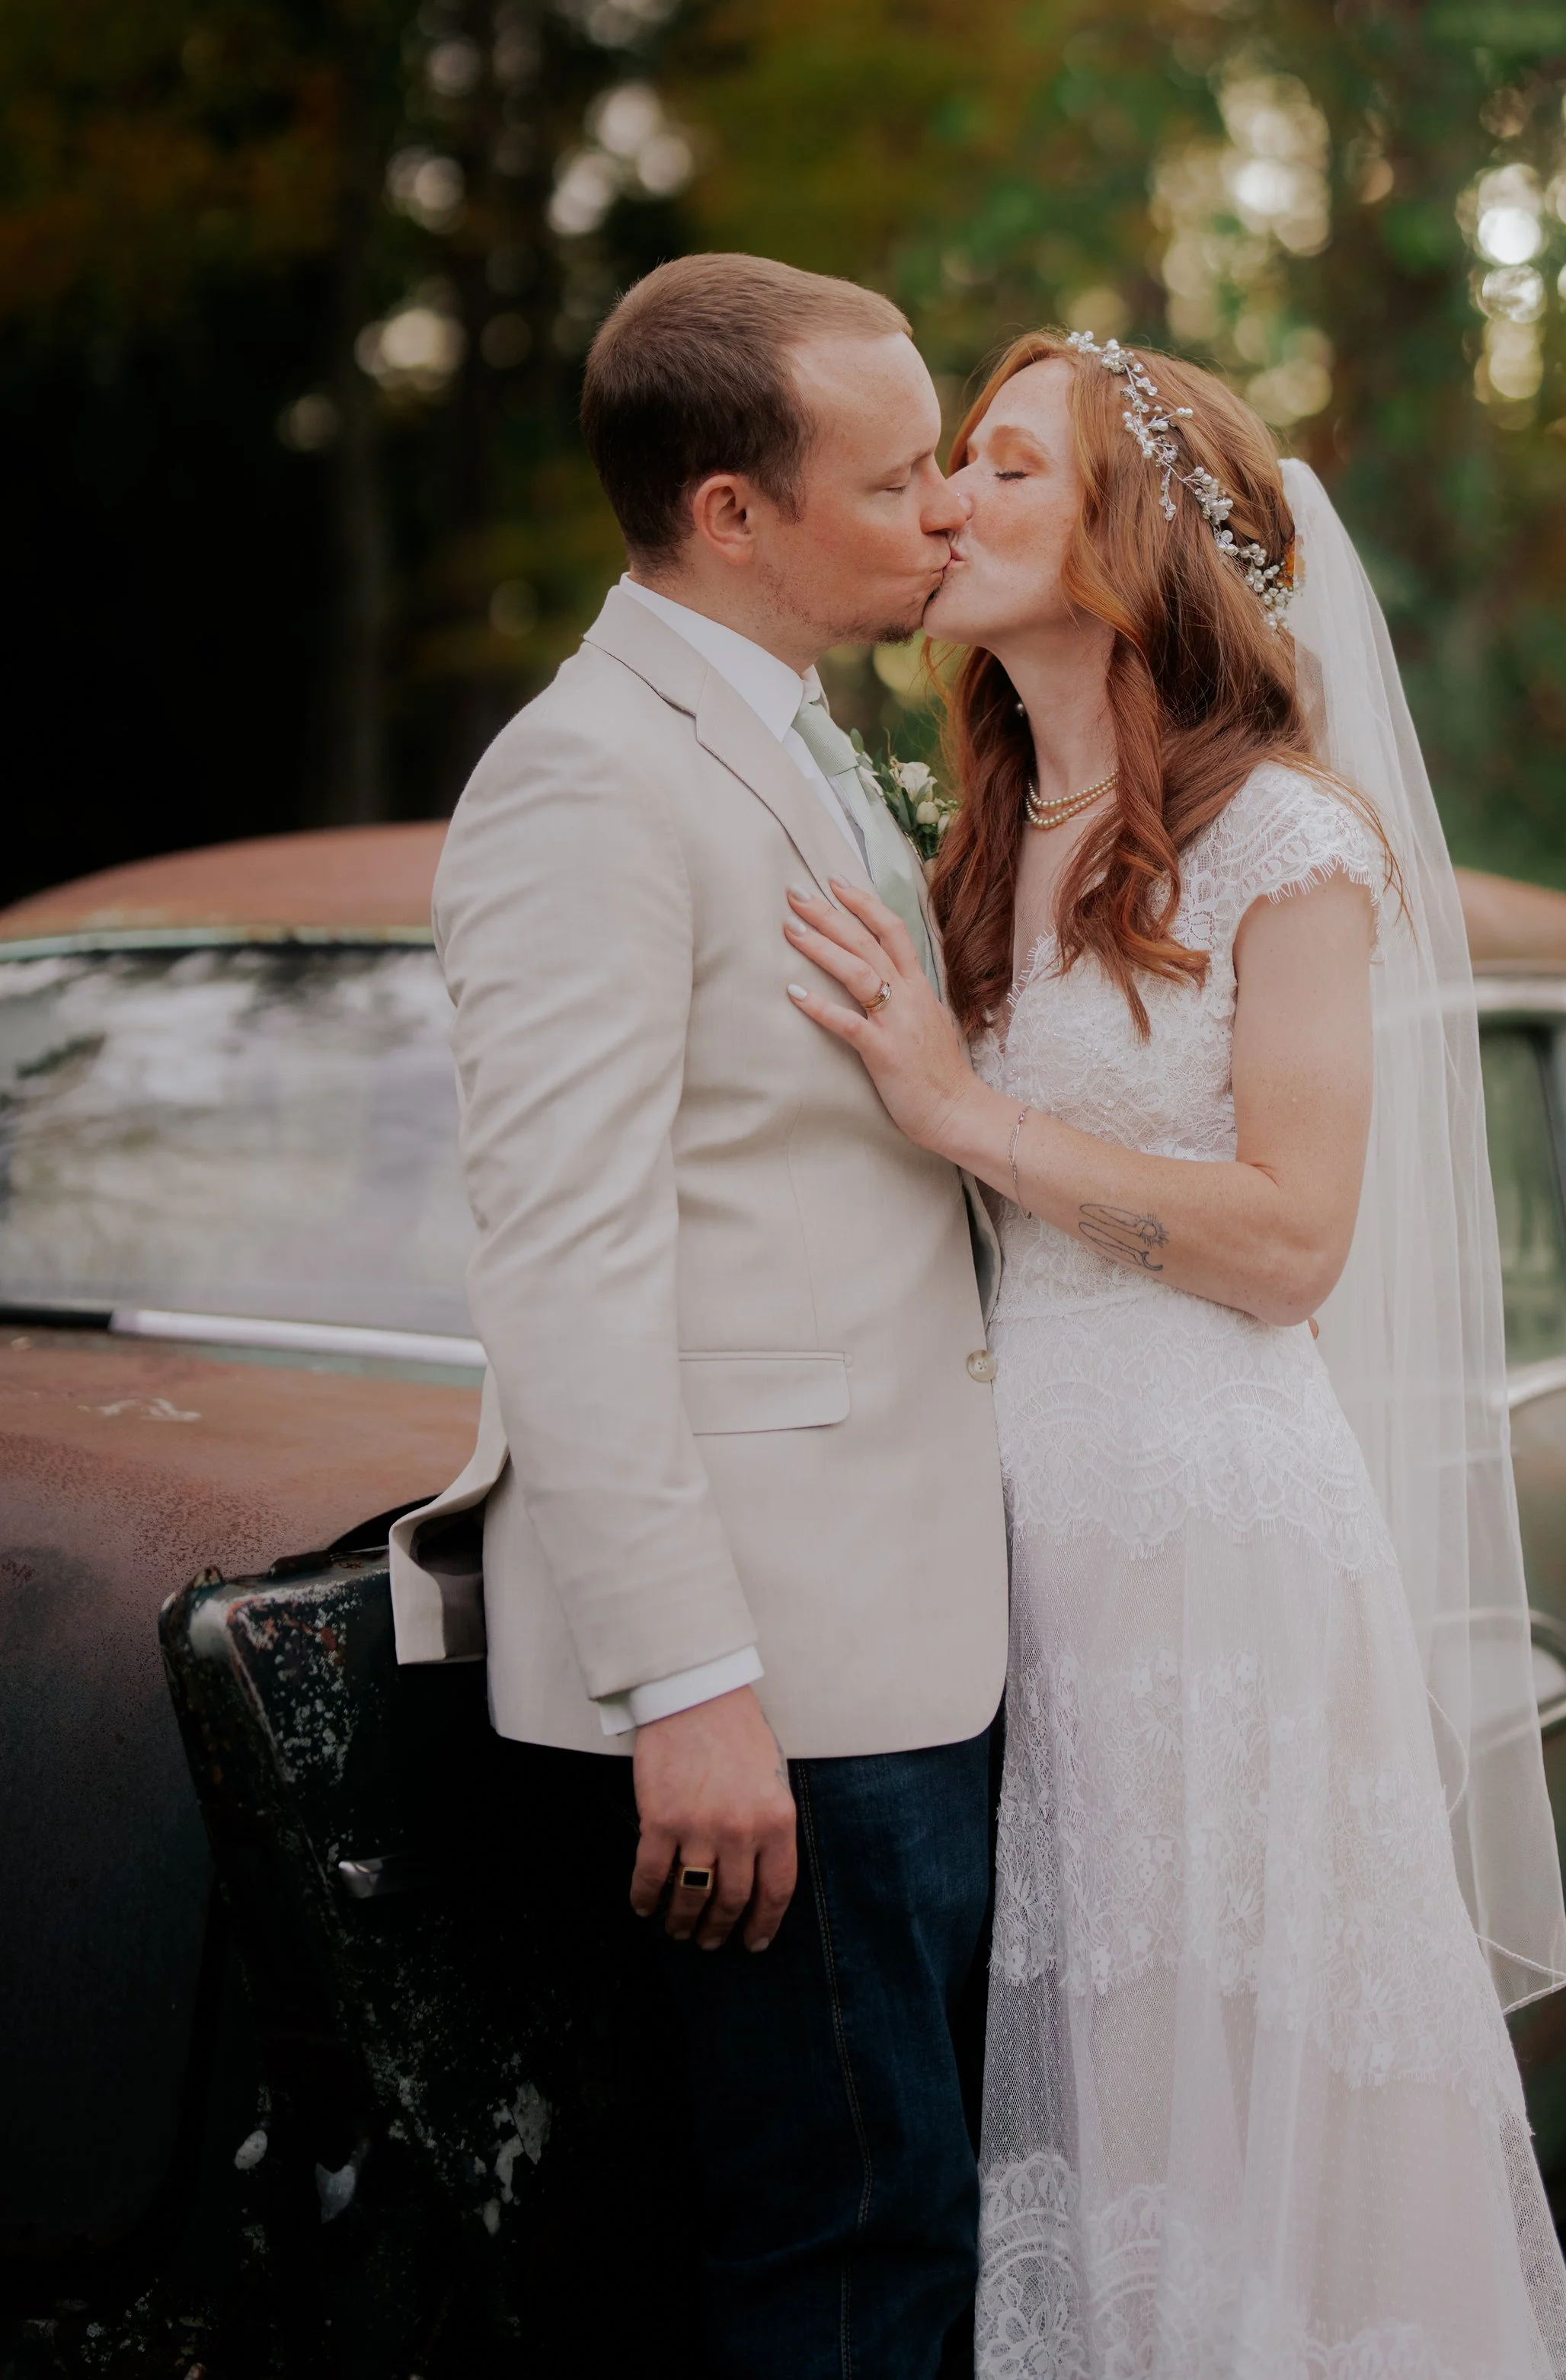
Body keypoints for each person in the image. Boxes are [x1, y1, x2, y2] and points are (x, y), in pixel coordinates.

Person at [784, 330, 1566, 2377]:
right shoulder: (963, 837)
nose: (944, 498)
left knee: (1220, 2076)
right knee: (1065, 2085)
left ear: (1129, 542)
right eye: (943, 462)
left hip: (1205, 1540)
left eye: (1001, 466)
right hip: (993, 1545)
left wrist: (966, 1117)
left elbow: (1291, 1236)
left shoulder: (1284, 841)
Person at [386, 254, 1010, 2378]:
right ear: (730, 511)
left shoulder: (810, 745)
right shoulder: (587, 785)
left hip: (912, 1623)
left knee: (908, 2214)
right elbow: (562, 1257)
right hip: (778, 1681)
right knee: (848, 2250)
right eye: (897, 471)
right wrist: (692, 1682)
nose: (944, 509)